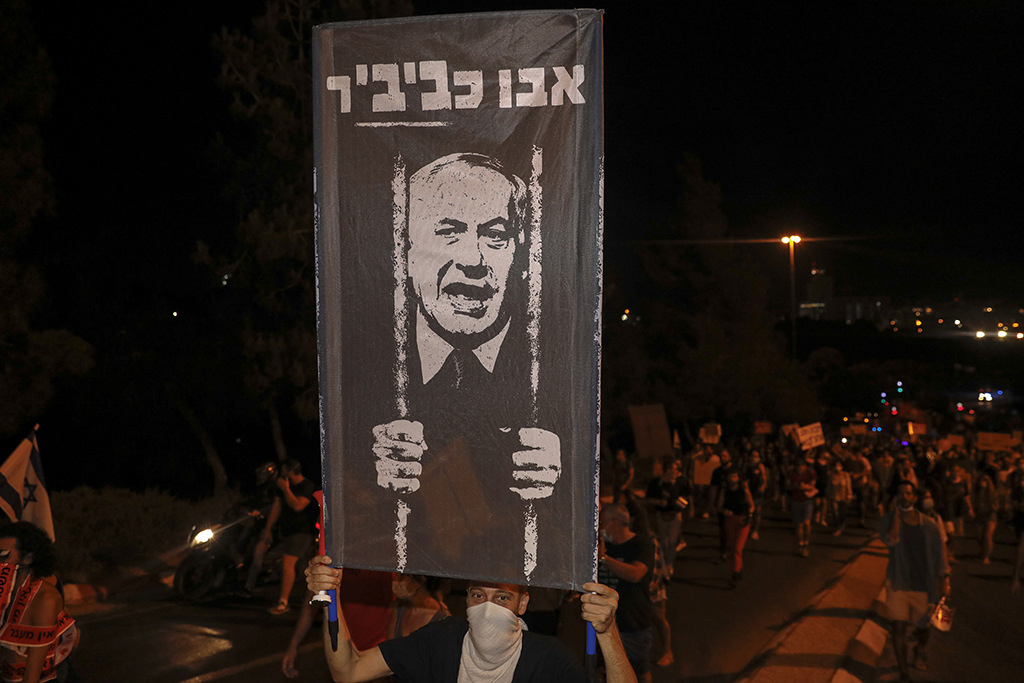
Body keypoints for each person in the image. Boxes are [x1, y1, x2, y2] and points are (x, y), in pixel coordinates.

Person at [370, 152, 563, 578]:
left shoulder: (554, 368)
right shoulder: (367, 364)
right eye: (447, 233)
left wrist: (564, 478)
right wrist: (365, 466)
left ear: (521, 255)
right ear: (406, 254)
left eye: (496, 236)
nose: (474, 259)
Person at [305, 558, 637, 683]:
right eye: (478, 596)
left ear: (523, 604)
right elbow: (348, 670)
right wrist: (329, 596)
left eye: (502, 598)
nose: (487, 609)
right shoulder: (440, 642)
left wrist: (606, 633)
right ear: (465, 599)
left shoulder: (547, 660)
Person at [879, 483, 950, 681]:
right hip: (898, 582)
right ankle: (903, 672)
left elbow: (940, 551)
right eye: (900, 493)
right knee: (898, 627)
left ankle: (920, 649)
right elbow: (890, 540)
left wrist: (945, 578)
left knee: (923, 627)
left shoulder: (928, 524)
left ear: (914, 498)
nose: (904, 496)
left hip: (922, 584)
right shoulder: (888, 520)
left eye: (908, 493)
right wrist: (895, 515)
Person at [0, 522, 79, 683]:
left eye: (3, 556)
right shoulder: (5, 592)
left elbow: (32, 675)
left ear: (28, 558)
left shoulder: (45, 599)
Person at [282, 569, 393, 679]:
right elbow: (312, 602)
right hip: (340, 648)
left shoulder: (379, 558)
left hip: (374, 648)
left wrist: (391, 652)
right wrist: (294, 643)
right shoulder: (329, 555)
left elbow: (396, 608)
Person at [597, 504, 654, 683]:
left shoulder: (642, 545)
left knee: (638, 674)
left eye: (602, 522)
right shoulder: (600, 545)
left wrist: (604, 559)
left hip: (633, 625)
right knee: (602, 671)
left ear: (615, 522)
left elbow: (635, 574)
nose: (598, 527)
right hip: (603, 624)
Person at [261, 460, 319, 615]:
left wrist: (286, 489)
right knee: (294, 565)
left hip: (301, 532)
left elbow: (298, 505)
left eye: (284, 471)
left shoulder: (306, 486)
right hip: (285, 532)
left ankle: (283, 603)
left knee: (288, 563)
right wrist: (268, 529)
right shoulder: (283, 487)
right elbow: (276, 507)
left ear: (291, 471)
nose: (282, 474)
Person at [644, 458, 687, 575]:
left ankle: (669, 565)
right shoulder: (656, 483)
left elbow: (686, 496)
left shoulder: (679, 482)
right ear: (668, 470)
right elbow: (647, 499)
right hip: (661, 515)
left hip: (675, 515)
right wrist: (659, 503)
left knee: (672, 543)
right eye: (674, 469)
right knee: (663, 541)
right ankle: (662, 567)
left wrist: (683, 505)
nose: (676, 471)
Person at [717, 468, 754, 587]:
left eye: (734, 476)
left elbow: (752, 506)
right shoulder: (725, 491)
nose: (732, 479)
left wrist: (749, 515)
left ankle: (735, 573)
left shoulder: (744, 491)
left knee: (738, 547)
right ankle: (738, 567)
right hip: (730, 519)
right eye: (730, 476)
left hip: (743, 520)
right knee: (733, 547)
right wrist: (724, 511)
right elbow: (719, 506)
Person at [789, 453, 817, 557]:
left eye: (802, 466)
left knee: (807, 523)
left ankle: (806, 542)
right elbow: (788, 485)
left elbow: (813, 486)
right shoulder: (792, 473)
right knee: (799, 524)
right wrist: (796, 486)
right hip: (796, 500)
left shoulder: (810, 472)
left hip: (807, 501)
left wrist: (805, 487)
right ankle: (800, 543)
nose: (800, 468)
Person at [744, 451, 767, 540]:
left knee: (757, 511)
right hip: (749, 491)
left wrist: (763, 486)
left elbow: (764, 477)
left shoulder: (760, 466)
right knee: (748, 511)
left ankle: (755, 530)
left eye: (757, 456)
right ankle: (746, 529)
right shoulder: (746, 466)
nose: (755, 458)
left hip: (758, 492)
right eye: (753, 456)